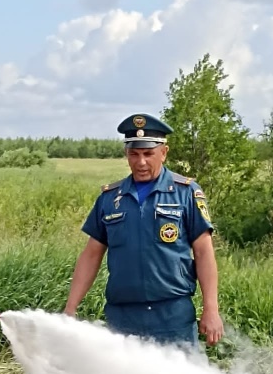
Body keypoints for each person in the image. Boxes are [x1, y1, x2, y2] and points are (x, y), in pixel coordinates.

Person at [64, 113, 224, 348]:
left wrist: (211, 309)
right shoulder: (110, 198)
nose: (141, 163)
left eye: (148, 154)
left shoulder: (186, 193)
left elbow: (203, 253)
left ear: (164, 152)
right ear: (126, 154)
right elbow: (91, 255)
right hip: (123, 317)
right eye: (134, 154)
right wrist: (70, 308)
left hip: (172, 315)